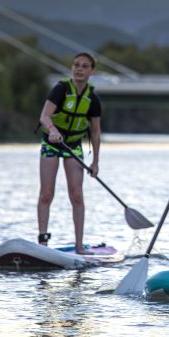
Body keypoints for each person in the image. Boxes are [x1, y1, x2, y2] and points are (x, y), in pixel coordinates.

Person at [37, 52, 102, 254]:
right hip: (52, 143)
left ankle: (80, 247)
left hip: (73, 145)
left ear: (92, 71)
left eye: (84, 66)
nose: (79, 69)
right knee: (47, 194)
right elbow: (44, 116)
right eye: (76, 65)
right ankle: (43, 243)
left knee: (77, 196)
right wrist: (53, 130)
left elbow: (96, 131)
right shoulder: (61, 89)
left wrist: (95, 163)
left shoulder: (92, 98)